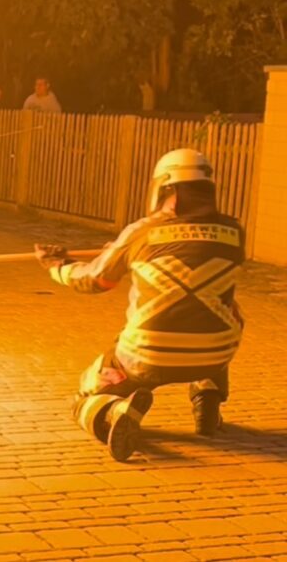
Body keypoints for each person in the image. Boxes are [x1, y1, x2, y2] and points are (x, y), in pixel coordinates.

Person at [34, 149, 245, 461]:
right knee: (219, 308)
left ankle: (112, 411)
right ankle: (207, 405)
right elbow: (190, 249)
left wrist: (57, 264)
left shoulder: (142, 232)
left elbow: (95, 280)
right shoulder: (235, 231)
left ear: (166, 188)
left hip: (145, 357)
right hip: (213, 357)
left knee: (84, 393)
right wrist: (122, 250)